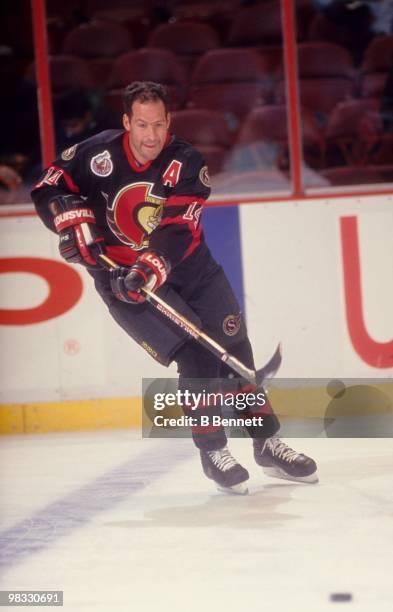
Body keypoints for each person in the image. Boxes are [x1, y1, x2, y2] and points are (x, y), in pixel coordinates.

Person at [31, 81, 317, 494]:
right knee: (197, 354)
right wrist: (65, 215)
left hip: (189, 269)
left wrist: (149, 266)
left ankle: (267, 443)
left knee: (236, 350)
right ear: (126, 121)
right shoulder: (96, 155)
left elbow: (177, 230)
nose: (151, 136)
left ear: (170, 122)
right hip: (121, 279)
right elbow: (47, 187)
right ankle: (213, 451)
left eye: (159, 125)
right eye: (142, 125)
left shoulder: (186, 162)